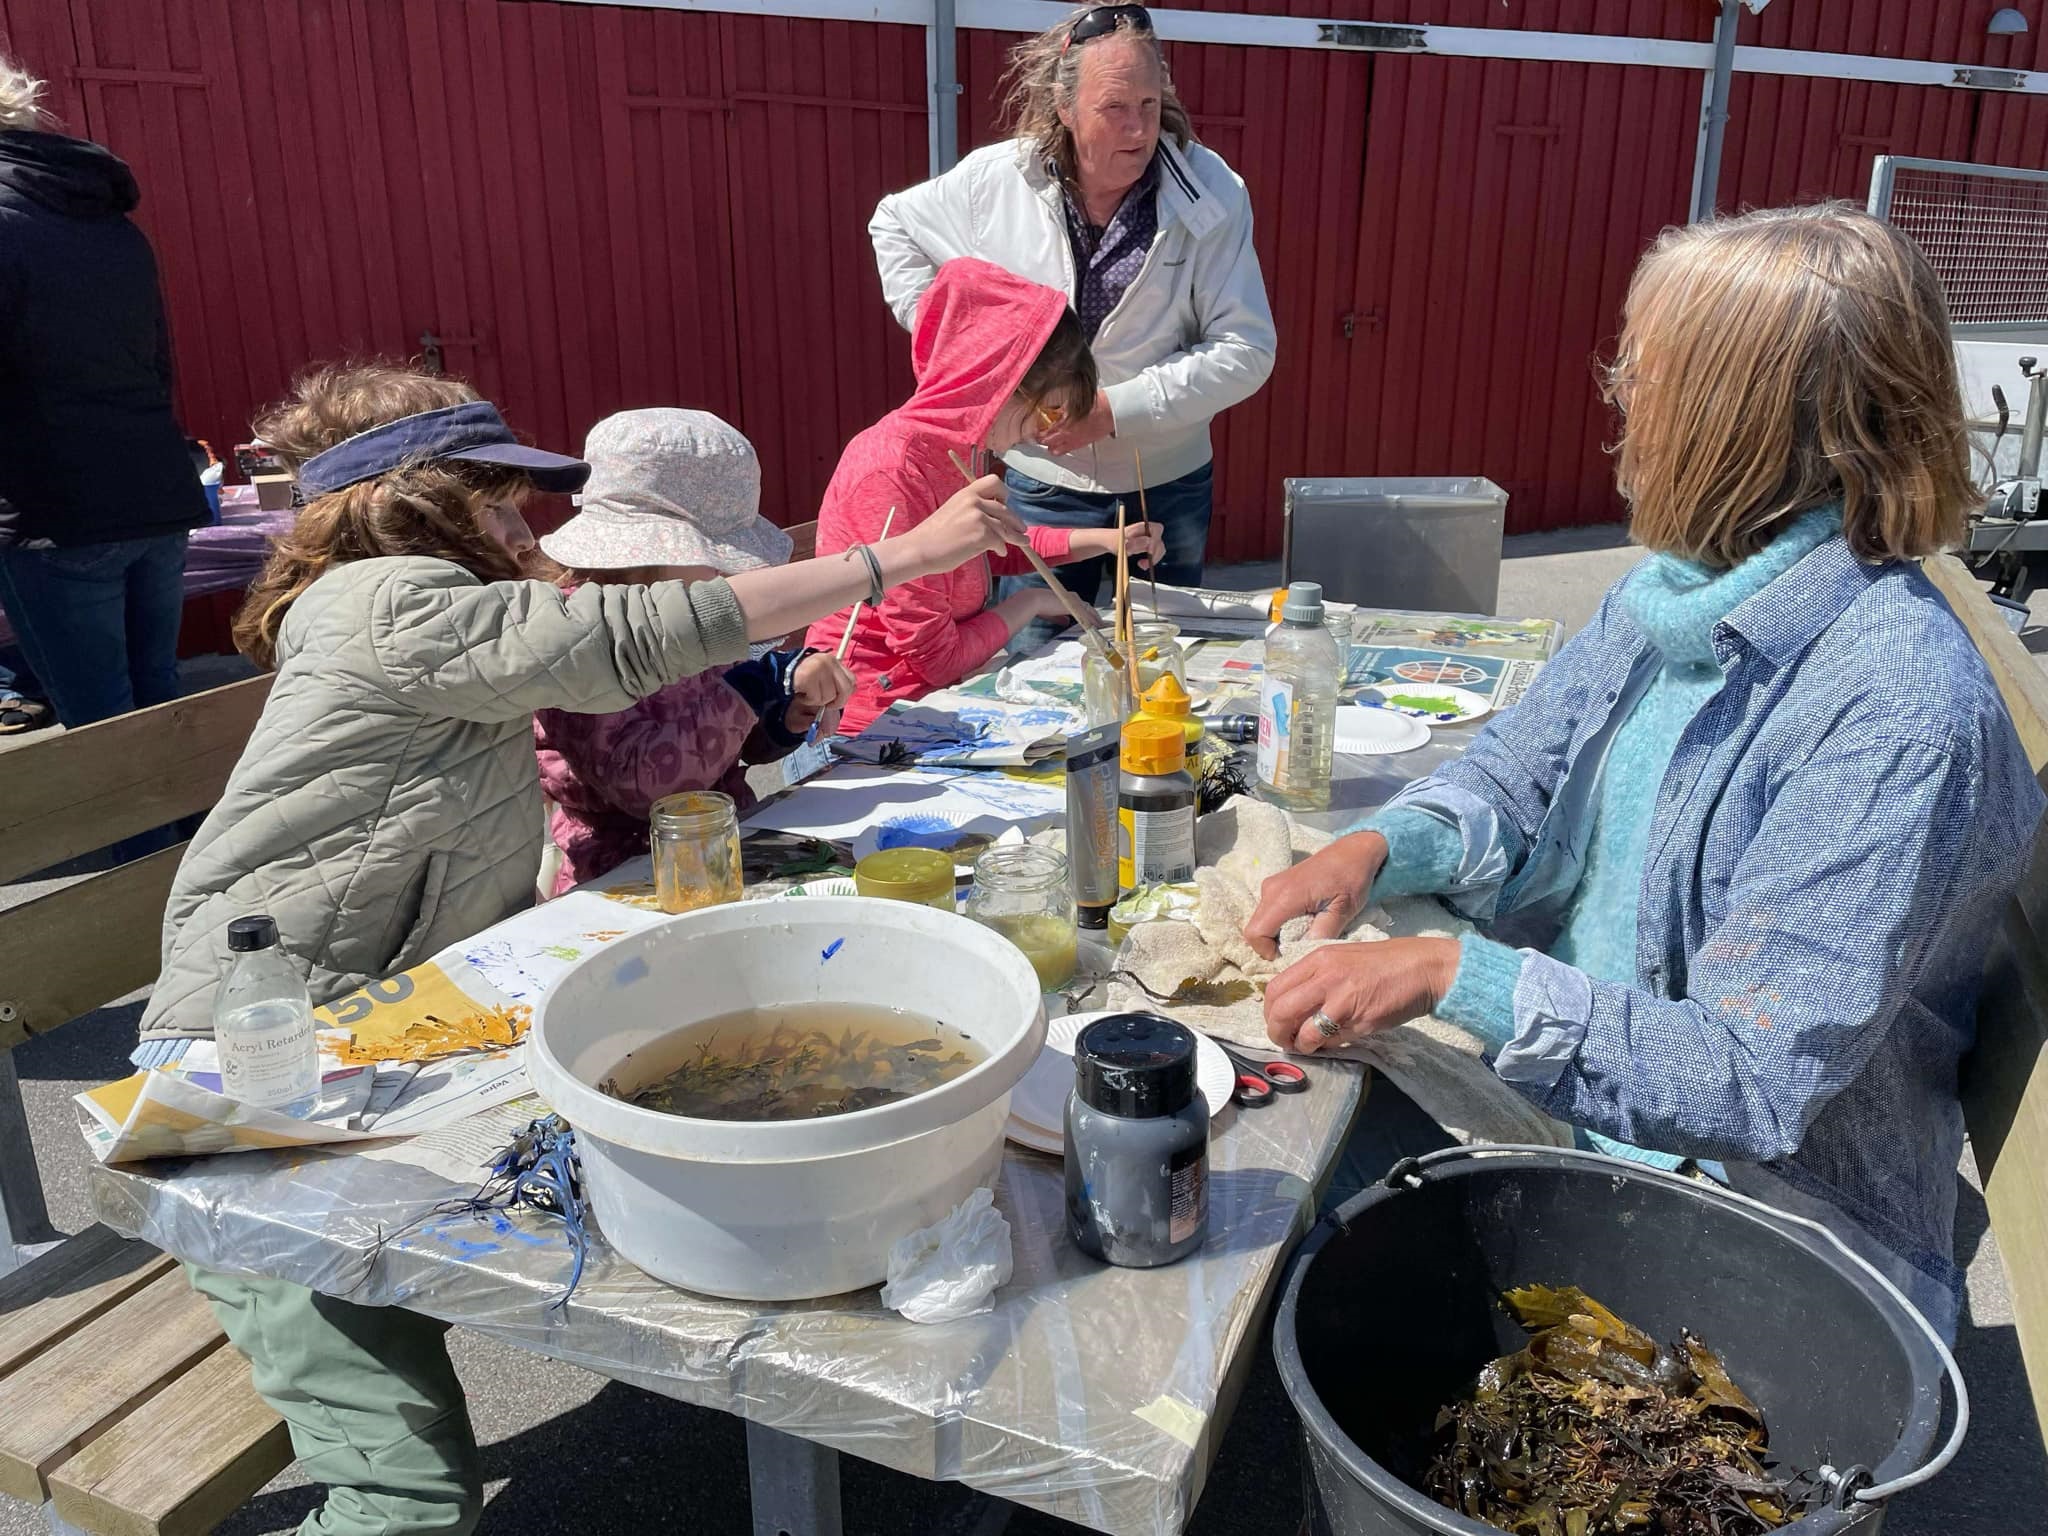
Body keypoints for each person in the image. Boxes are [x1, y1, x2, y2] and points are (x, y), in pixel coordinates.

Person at [133, 362, 1014, 1536]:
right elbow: (627, 641)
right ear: (417, 501)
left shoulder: (414, 609)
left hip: (382, 1038)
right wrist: (891, 558)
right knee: (407, 1493)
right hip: (247, 1086)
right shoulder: (393, 602)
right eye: (499, 501)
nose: (526, 526)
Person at [1243, 205, 2044, 1339]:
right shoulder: (1677, 587)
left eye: (1646, 376)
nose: (1619, 400)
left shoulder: (1893, 713)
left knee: (1260, 1181)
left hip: (1749, 1222)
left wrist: (1449, 973)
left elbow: (1748, 1079)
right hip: (1595, 1106)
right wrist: (1381, 848)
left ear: (1737, 422)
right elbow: (1521, 767)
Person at [869, 5, 1274, 631]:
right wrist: (958, 339)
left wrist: (1111, 411)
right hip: (1041, 484)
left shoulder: (1212, 188)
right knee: (1034, 660)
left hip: (1163, 482)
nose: (1139, 129)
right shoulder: (996, 182)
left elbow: (1245, 349)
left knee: (1166, 657)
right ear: (1064, 107)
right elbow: (893, 223)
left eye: (1149, 101)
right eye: (1115, 107)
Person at [806, 257, 1161, 737]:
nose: (1043, 435)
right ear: (996, 380)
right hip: (871, 726)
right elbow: (937, 658)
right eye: (1051, 412)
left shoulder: (962, 449)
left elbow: (996, 544)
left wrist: (1103, 540)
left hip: (935, 703)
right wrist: (1032, 602)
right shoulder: (892, 470)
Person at [534, 408, 856, 894]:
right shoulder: (579, 632)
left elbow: (731, 749)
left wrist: (786, 706)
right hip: (624, 876)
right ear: (657, 551)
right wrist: (751, 688)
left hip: (721, 849)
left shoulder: (690, 606)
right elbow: (650, 790)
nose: (729, 574)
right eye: (716, 554)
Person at [0, 55, 208, 728]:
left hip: (56, 511)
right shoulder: (108, 223)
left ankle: (153, 838)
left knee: (102, 727)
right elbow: (155, 366)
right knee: (155, 697)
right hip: (152, 490)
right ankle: (183, 835)